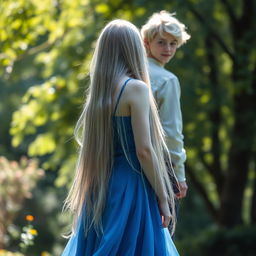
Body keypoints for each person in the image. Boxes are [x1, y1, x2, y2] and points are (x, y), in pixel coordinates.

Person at [61, 19, 179, 255]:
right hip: (131, 187)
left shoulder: (98, 95)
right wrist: (164, 198)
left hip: (100, 187)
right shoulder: (136, 88)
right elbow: (144, 151)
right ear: (134, 48)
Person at [141, 11, 191, 199]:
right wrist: (178, 174)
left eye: (173, 44)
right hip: (156, 167)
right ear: (147, 42)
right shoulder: (167, 80)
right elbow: (171, 131)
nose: (168, 49)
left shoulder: (127, 71)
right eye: (161, 42)